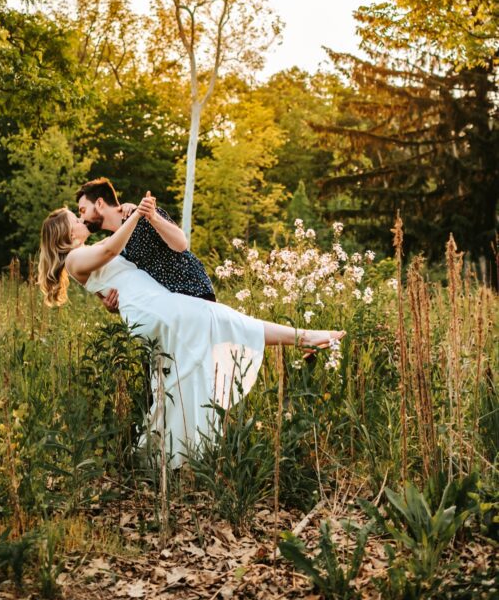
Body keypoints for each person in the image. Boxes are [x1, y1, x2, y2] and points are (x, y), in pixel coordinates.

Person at [38, 197, 345, 467]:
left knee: (178, 378)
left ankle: (164, 456)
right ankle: (305, 337)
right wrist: (137, 214)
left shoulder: (81, 256)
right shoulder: (75, 258)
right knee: (218, 320)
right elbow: (108, 251)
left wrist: (111, 303)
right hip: (155, 309)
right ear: (66, 234)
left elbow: (112, 286)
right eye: (74, 220)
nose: (81, 220)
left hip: (155, 306)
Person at [76, 178, 216, 309]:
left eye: (83, 211)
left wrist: (153, 217)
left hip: (194, 294)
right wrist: (111, 304)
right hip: (165, 306)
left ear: (100, 204)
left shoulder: (143, 215)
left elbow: (181, 244)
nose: (81, 218)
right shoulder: (115, 242)